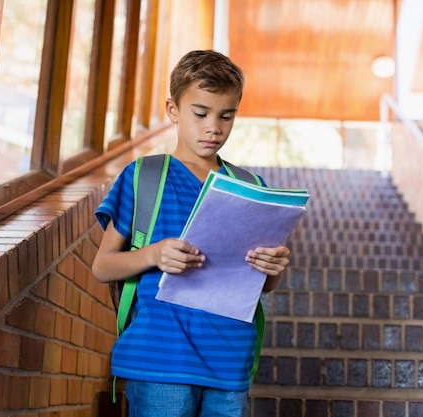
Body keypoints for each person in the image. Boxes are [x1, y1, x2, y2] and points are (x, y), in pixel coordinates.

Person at [92, 49, 291, 417]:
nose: (213, 127)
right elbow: (103, 267)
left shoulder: (249, 186)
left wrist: (274, 266)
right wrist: (152, 254)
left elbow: (264, 285)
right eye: (200, 114)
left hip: (229, 360)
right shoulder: (144, 176)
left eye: (226, 116)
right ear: (173, 110)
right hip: (159, 358)